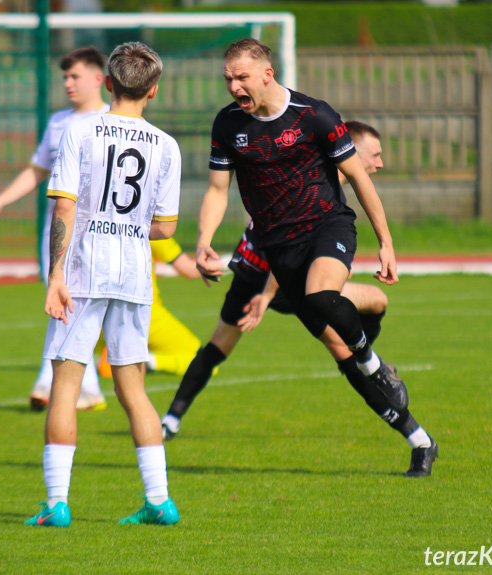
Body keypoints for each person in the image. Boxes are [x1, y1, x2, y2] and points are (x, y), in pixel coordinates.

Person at [193, 39, 437, 477]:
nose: (233, 86)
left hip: (328, 227)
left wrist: (386, 242)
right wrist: (203, 240)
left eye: (241, 77)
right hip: (279, 249)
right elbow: (217, 189)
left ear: (267, 73)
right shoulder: (228, 125)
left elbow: (359, 179)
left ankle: (374, 360)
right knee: (340, 353)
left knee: (323, 295)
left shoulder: (313, 115)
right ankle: (420, 440)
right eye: (227, 78)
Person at [25, 42, 182, 527]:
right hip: (134, 275)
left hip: (83, 271)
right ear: (153, 89)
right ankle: (159, 500)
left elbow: (65, 207)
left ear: (109, 83)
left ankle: (56, 504)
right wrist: (129, 226)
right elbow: (166, 228)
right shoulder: (167, 145)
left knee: (66, 385)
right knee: (132, 388)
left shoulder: (79, 130)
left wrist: (55, 275)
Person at [0, 47, 108, 412]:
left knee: (73, 304)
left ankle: (48, 382)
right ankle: (86, 388)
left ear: (98, 79)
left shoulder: (111, 120)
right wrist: (1, 200)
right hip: (57, 232)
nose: (68, 83)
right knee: (64, 302)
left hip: (96, 231)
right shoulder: (57, 122)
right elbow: (37, 170)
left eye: (75, 76)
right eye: (64, 77)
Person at [98, 236, 203, 378]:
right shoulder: (150, 225)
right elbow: (190, 270)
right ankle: (148, 362)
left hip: (95, 310)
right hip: (142, 312)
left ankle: (96, 365)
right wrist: (229, 263)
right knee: (205, 361)